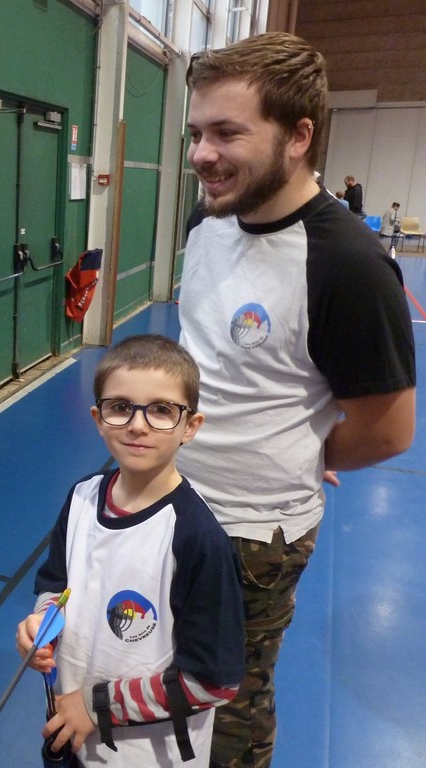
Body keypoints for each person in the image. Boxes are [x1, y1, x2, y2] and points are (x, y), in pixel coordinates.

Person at [181, 33, 416, 768]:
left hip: (253, 533)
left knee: (229, 699)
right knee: (155, 672)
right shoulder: (206, 224)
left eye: (227, 132)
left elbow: (388, 431)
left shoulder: (348, 263)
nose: (202, 154)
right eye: (196, 133)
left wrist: (300, 451)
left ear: (298, 136)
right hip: (168, 494)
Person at [16, 334, 245, 767]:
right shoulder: (82, 497)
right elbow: (56, 585)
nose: (138, 425)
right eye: (121, 407)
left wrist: (96, 705)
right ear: (98, 418)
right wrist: (44, 624)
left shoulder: (197, 538)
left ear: (190, 426)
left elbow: (214, 681)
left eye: (161, 410)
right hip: (73, 737)